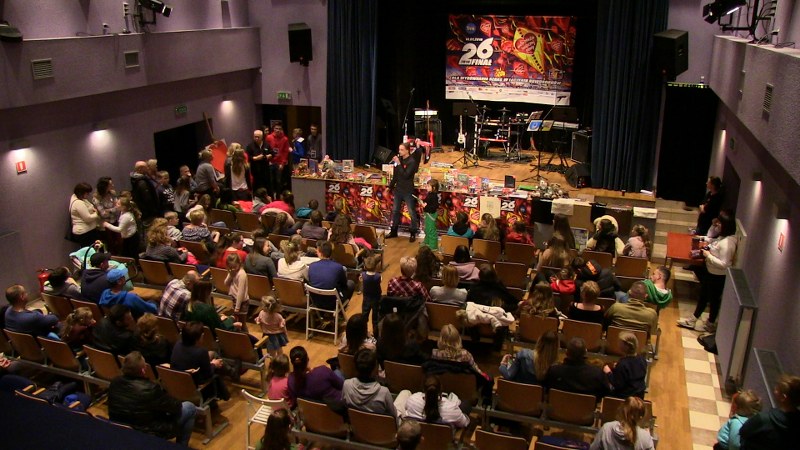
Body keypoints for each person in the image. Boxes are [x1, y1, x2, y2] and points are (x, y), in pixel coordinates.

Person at [108, 351, 197, 447]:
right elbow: (176, 407)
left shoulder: (115, 382)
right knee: (189, 407)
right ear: (143, 370)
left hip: (120, 429)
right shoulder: (150, 389)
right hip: (148, 432)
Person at [677, 213, 738, 332]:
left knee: (712, 300)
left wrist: (708, 255)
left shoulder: (727, 244)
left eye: (719, 223)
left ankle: (709, 323)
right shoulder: (723, 238)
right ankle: (696, 320)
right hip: (711, 273)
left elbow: (724, 264)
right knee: (704, 297)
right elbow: (713, 239)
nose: (717, 225)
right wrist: (705, 235)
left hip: (717, 276)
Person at [171, 321, 235, 401]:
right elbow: (208, 374)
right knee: (217, 362)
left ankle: (232, 372)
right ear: (199, 337)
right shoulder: (201, 352)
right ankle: (232, 374)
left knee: (212, 354)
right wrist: (214, 365)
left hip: (179, 379)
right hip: (195, 383)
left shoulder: (178, 344)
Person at [739, 374, 800, 449]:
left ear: (783, 397)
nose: (774, 391)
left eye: (777, 390)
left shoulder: (763, 419)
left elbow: (743, 432)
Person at [342, 348, 398, 418]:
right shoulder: (384, 392)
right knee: (405, 393)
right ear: (374, 369)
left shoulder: (346, 384)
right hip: (378, 424)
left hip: (356, 423)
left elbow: (344, 405)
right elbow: (393, 416)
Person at [400, 374, 470, 428]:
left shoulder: (412, 400)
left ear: (423, 389)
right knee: (466, 404)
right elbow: (464, 423)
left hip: (418, 437)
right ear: (441, 390)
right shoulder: (452, 409)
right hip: (444, 441)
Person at [590, 396, 654, 450]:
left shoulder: (606, 429)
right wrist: (646, 435)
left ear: (622, 411)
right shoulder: (645, 437)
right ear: (641, 417)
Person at [387, 142, 420, 242]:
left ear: (407, 150)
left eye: (402, 150)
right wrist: (390, 187)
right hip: (398, 190)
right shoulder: (399, 160)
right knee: (395, 211)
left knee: (411, 212)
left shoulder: (412, 161)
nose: (399, 151)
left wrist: (399, 163)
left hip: (408, 190)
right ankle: (393, 231)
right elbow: (396, 175)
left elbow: (406, 175)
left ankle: (413, 233)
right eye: (399, 149)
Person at [308, 240, 356, 308]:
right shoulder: (338, 267)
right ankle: (342, 308)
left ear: (320, 253)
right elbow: (344, 284)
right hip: (333, 302)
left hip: (315, 301)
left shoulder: (312, 266)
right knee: (351, 283)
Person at [603, 332, 647, 399]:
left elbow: (617, 384)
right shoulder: (642, 359)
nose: (618, 344)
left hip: (625, 398)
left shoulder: (623, 364)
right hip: (639, 396)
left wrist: (608, 372)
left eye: (620, 342)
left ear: (626, 346)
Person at [70, 182, 104, 246]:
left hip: (88, 230)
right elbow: (87, 218)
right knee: (90, 249)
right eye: (87, 193)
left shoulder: (81, 199)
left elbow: (90, 207)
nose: (88, 195)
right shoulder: (78, 203)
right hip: (84, 232)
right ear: (81, 193)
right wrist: (96, 214)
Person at [129, 161, 160, 225]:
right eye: (146, 167)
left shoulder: (136, 179)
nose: (148, 168)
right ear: (140, 169)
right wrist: (154, 211)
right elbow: (148, 199)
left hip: (145, 212)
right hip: (148, 213)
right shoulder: (142, 182)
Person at [360, 254, 382, 333]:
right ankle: (375, 333)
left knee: (364, 315)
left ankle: (364, 331)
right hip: (376, 298)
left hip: (366, 298)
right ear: (375, 267)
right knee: (375, 317)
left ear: (365, 267)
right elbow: (380, 281)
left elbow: (361, 280)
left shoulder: (363, 275)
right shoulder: (378, 276)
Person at [224, 253, 249, 317]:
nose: (233, 269)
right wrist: (231, 275)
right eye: (230, 267)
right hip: (235, 299)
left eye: (235, 267)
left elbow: (241, 291)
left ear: (239, 263)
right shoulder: (232, 271)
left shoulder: (242, 274)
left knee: (241, 321)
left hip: (242, 302)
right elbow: (226, 283)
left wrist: (237, 307)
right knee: (236, 320)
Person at [421, 179, 440, 250]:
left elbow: (434, 207)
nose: (427, 187)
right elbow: (427, 201)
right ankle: (427, 242)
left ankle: (433, 246)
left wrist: (425, 206)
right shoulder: (430, 194)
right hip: (427, 214)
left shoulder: (434, 196)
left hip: (431, 215)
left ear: (434, 187)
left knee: (431, 230)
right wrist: (423, 201)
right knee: (427, 229)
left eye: (428, 186)